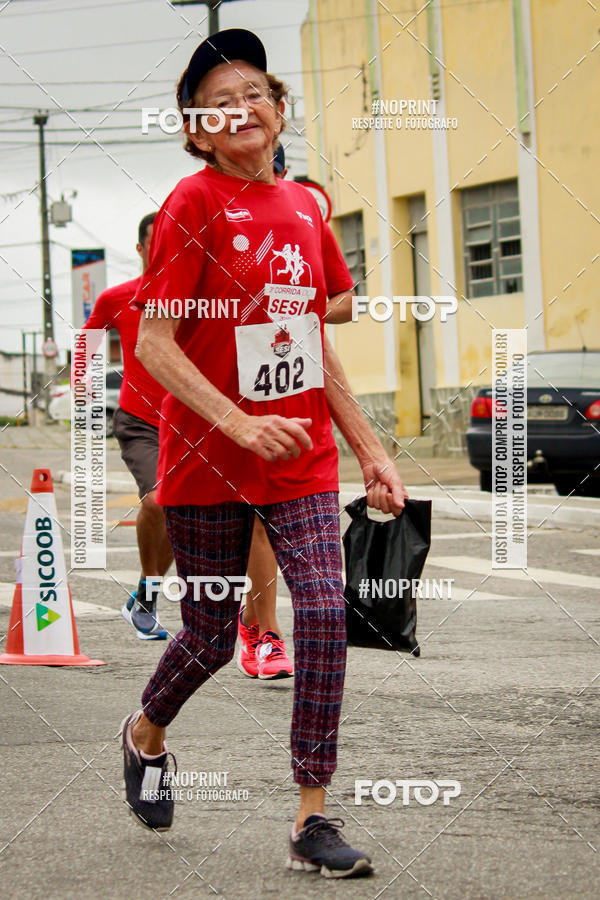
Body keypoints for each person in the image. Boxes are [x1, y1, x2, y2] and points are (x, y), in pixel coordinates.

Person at [120, 29, 407, 878]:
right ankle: (145, 734)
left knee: (321, 613)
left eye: (252, 91)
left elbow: (313, 341)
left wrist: (370, 449)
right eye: (215, 103)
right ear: (198, 131)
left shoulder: (304, 213)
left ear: (280, 110)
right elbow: (155, 344)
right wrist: (238, 423)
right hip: (208, 459)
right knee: (210, 635)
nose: (237, 108)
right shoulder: (191, 204)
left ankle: (311, 818)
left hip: (300, 460)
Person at [237, 144, 354, 680]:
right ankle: (264, 631)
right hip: (239, 402)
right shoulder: (220, 218)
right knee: (257, 519)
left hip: (300, 392)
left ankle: (262, 626)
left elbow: (345, 302)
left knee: (293, 537)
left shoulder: (304, 214)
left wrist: (292, 303)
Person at [75, 214, 171, 639]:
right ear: (140, 249)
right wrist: (84, 403)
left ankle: (144, 593)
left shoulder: (201, 298)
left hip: (192, 425)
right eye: (156, 241)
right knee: (157, 501)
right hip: (140, 421)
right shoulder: (119, 298)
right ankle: (149, 596)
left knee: (182, 516)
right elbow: (87, 346)